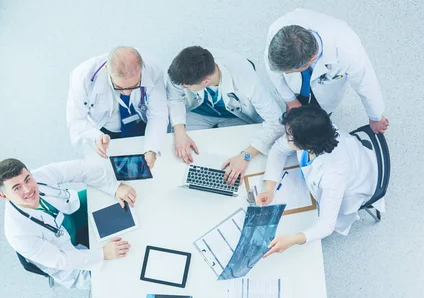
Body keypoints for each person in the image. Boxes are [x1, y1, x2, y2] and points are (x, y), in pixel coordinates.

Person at [257, 106, 384, 257]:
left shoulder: (333, 175)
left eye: (289, 135)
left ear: (307, 143)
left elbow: (326, 226)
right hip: (356, 158)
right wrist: (269, 189)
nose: (285, 138)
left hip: (355, 186)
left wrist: (293, 239)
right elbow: (278, 149)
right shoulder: (318, 129)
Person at [0, 158, 137, 289]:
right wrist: (102, 254)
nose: (28, 189)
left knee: (108, 195)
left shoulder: (40, 176)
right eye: (16, 188)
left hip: (69, 214)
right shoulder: (18, 233)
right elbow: (62, 260)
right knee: (123, 272)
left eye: (27, 179)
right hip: (70, 259)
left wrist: (115, 187)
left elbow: (79, 168)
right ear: (4, 196)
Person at [166, 46, 283, 183]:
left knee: (237, 164)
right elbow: (175, 98)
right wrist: (180, 132)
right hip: (197, 111)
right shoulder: (180, 71)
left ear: (206, 82)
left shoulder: (245, 77)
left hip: (234, 115)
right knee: (181, 158)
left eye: (186, 87)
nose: (182, 88)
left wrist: (245, 156)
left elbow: (277, 122)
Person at [265, 9, 389, 134]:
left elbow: (366, 83)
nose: (286, 74)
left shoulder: (348, 51)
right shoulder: (278, 31)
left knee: (320, 114)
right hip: (298, 84)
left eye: (290, 71)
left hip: (326, 92)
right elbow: (273, 68)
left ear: (312, 59)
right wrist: (290, 100)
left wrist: (375, 117)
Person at [67, 46, 168, 169]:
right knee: (110, 172)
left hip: (139, 123)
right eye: (120, 87)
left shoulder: (152, 70)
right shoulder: (83, 77)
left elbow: (158, 115)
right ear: (106, 70)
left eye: (135, 85)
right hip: (103, 131)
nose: (127, 93)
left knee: (143, 169)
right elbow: (77, 120)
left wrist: (152, 148)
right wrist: (95, 136)